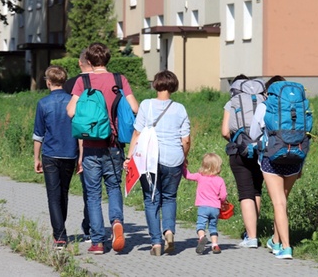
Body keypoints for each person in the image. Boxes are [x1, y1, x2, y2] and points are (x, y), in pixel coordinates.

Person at [66, 42, 139, 255]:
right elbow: (134, 108)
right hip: (114, 145)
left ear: (88, 61)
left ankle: (97, 241)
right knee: (114, 187)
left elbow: (71, 111)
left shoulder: (83, 80)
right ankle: (117, 221)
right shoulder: (120, 80)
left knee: (93, 193)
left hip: (90, 146)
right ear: (107, 60)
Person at [125, 70, 191, 256]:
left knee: (151, 199)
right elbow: (185, 140)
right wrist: (183, 157)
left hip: (150, 161)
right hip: (173, 159)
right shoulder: (180, 109)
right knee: (169, 197)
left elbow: (137, 133)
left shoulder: (146, 105)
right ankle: (169, 231)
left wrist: (129, 157)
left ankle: (155, 243)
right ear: (174, 86)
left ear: (155, 84)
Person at [249, 75, 301, 259]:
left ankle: (286, 248)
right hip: (295, 159)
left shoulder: (265, 106)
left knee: (278, 203)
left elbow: (253, 133)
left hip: (271, 159)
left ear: (268, 91)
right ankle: (276, 241)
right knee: (282, 202)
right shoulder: (296, 106)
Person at [33, 65, 79, 250]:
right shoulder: (74, 101)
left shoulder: (43, 104)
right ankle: (60, 229)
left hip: (50, 154)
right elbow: (79, 131)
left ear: (48, 82)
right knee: (64, 193)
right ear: (64, 81)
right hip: (70, 153)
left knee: (53, 195)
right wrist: (81, 156)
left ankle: (59, 235)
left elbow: (38, 134)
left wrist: (36, 158)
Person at [221, 74, 264, 248]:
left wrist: (238, 141)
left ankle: (251, 238)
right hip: (261, 150)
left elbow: (225, 131)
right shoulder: (263, 99)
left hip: (240, 151)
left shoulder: (232, 102)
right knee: (256, 191)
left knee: (245, 193)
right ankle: (253, 231)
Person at [63, 49, 93, 242]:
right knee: (92, 189)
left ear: (80, 63)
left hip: (73, 139)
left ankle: (60, 231)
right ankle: (91, 227)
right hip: (100, 138)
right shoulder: (107, 81)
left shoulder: (70, 84)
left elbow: (70, 113)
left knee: (66, 189)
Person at [182, 153, 228, 255]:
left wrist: (183, 167)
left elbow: (188, 176)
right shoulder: (220, 180)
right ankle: (215, 245)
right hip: (215, 208)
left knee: (200, 225)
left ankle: (202, 238)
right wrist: (222, 201)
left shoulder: (200, 176)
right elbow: (223, 195)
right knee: (213, 227)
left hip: (203, 207)